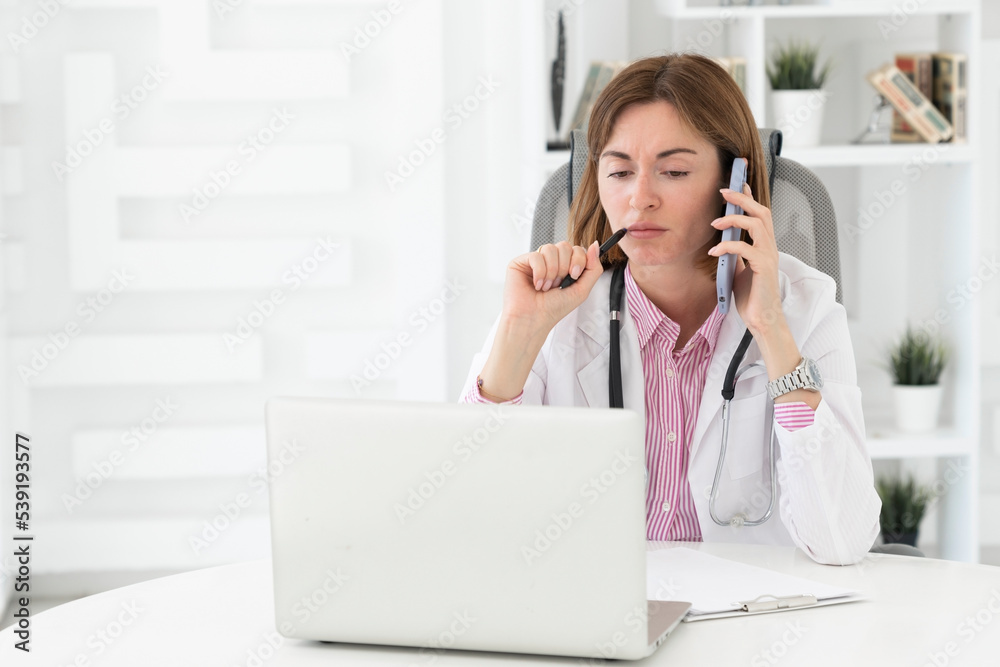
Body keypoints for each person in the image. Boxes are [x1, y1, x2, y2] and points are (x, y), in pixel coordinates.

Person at [460, 53, 880, 565]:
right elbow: (473, 518)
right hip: (594, 610)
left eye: (674, 170)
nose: (640, 199)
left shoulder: (806, 306)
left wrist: (772, 331)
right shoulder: (559, 311)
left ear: (736, 184)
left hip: (751, 624)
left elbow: (842, 540)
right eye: (619, 171)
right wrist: (520, 333)